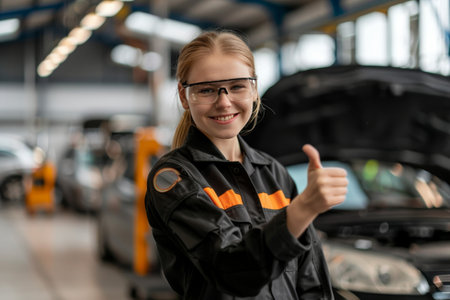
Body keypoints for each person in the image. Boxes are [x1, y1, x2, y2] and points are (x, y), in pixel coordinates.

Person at [145, 30, 348, 300]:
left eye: (237, 86)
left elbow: (310, 280)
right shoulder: (174, 179)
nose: (224, 102)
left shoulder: (274, 173)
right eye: (206, 90)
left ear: (253, 89)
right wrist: (302, 210)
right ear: (184, 96)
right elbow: (232, 272)